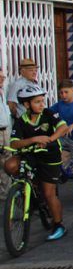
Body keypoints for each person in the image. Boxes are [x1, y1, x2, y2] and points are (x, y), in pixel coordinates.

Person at [6, 85, 69, 240]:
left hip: (50, 156)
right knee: (9, 165)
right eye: (37, 102)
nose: (42, 104)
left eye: (42, 101)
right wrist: (34, 139)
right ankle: (28, 189)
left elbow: (63, 127)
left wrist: (49, 139)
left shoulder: (48, 114)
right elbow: (14, 143)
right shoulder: (21, 121)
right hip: (30, 154)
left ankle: (59, 225)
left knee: (49, 194)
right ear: (27, 105)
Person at [0, 68, 10, 199]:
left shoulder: (3, 91)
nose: (2, 79)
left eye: (3, 77)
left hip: (5, 131)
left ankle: (5, 192)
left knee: (6, 161)